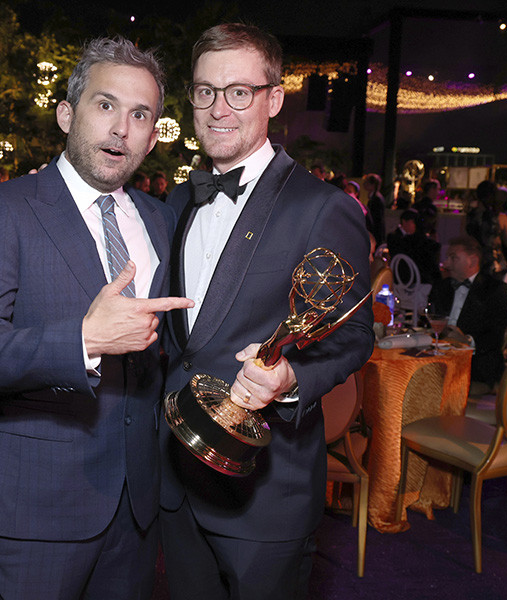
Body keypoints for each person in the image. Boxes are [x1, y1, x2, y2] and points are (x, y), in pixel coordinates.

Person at [0, 37, 193, 599]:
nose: (120, 129)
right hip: (38, 506)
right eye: (105, 105)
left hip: (138, 506)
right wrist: (84, 339)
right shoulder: (3, 208)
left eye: (139, 115)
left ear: (154, 136)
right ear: (66, 114)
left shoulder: (161, 219)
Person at [159, 24, 374, 600]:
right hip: (176, 479)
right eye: (205, 91)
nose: (218, 108)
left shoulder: (322, 207)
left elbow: (355, 337)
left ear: (274, 99)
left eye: (238, 91)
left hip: (265, 492)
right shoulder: (180, 198)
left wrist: (290, 379)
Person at [428, 236, 507, 388]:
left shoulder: (495, 290)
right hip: (438, 361)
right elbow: (429, 320)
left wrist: (466, 340)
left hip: (475, 368)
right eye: (447, 258)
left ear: (472, 261)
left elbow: (495, 337)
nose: (446, 264)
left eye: (453, 258)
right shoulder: (441, 287)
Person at [363, 172, 386, 244]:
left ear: (372, 185)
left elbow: (376, 218)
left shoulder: (376, 199)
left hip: (376, 232)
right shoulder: (374, 197)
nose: (364, 184)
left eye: (366, 182)